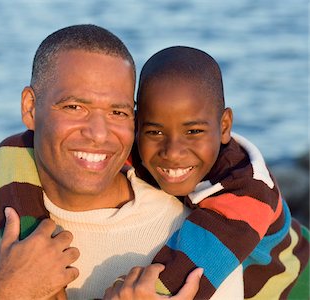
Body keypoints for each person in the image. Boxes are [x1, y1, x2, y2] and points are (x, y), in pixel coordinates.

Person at [0, 26, 242, 299]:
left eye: (117, 112)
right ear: (31, 108)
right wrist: (6, 293)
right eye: (75, 107)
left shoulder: (193, 239)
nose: (98, 134)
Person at [130, 45, 309, 299]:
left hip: (297, 281)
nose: (172, 152)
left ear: (224, 126)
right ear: (136, 126)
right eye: (155, 132)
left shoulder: (248, 193)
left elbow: (179, 283)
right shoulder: (145, 148)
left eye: (193, 132)